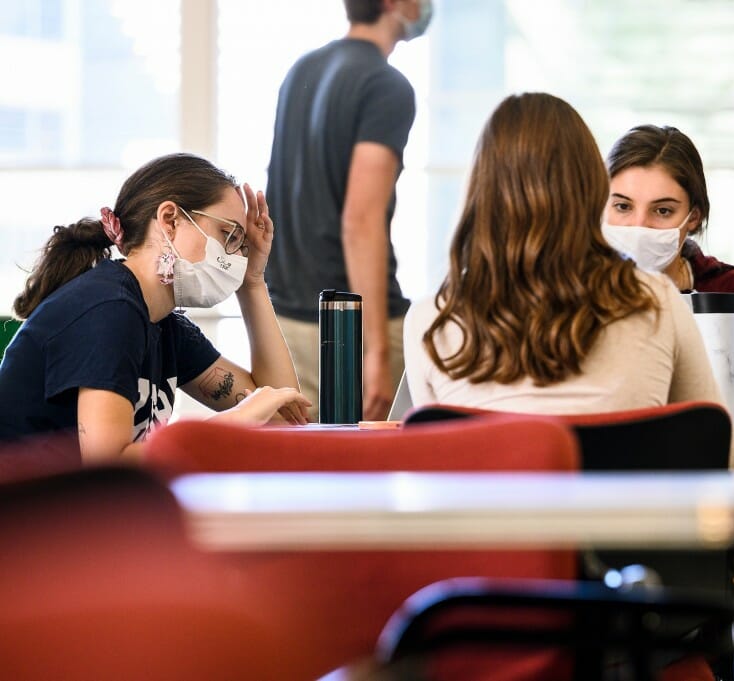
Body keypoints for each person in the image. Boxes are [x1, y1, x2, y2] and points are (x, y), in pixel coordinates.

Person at [403, 93, 734, 470]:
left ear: (478, 192)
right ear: (594, 190)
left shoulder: (429, 319)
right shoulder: (656, 302)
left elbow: (431, 469)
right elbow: (726, 462)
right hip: (627, 527)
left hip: (487, 528)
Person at [0, 153, 311, 461]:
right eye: (228, 235)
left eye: (240, 246)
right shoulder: (108, 309)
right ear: (170, 220)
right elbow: (109, 464)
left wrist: (252, 281)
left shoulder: (165, 325)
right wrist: (236, 420)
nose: (236, 257)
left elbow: (282, 415)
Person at [265, 0, 432, 421]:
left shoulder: (301, 70)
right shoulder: (385, 86)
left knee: (308, 469)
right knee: (366, 475)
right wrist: (375, 351)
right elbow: (361, 220)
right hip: (345, 327)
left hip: (287, 318)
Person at [603, 124, 734, 421]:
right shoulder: (575, 291)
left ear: (693, 217)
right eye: (623, 206)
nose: (639, 225)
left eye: (662, 211)